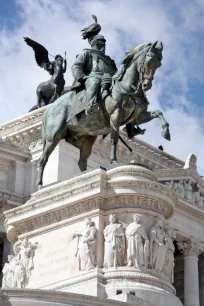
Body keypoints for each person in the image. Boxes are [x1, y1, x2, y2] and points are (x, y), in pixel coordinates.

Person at [71, 17, 117, 114]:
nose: (104, 45)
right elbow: (76, 65)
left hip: (109, 79)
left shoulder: (109, 60)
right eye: (102, 42)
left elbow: (116, 72)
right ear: (95, 42)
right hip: (93, 77)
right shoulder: (87, 53)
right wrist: (81, 77)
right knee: (94, 82)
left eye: (104, 42)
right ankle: (90, 106)